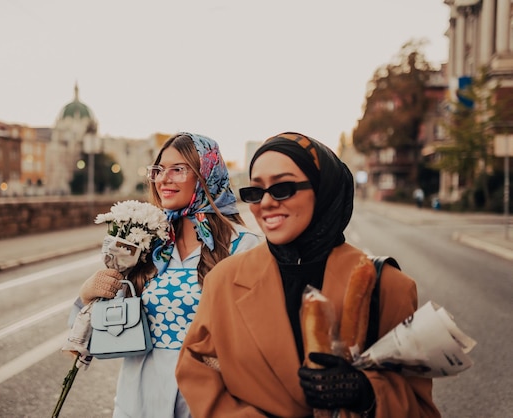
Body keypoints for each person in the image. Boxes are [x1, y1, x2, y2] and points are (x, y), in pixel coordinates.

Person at [175, 132, 441, 417]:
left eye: (283, 188)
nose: (265, 203)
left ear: (322, 189)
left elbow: (420, 408)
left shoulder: (387, 285)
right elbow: (196, 368)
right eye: (255, 191)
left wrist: (367, 394)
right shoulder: (223, 281)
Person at [76, 132, 261, 417]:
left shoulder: (243, 246)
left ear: (207, 176)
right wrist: (88, 296)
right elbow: (98, 328)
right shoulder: (146, 243)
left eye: (178, 169)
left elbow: (260, 337)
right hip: (138, 400)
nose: (163, 179)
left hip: (208, 403)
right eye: (159, 170)